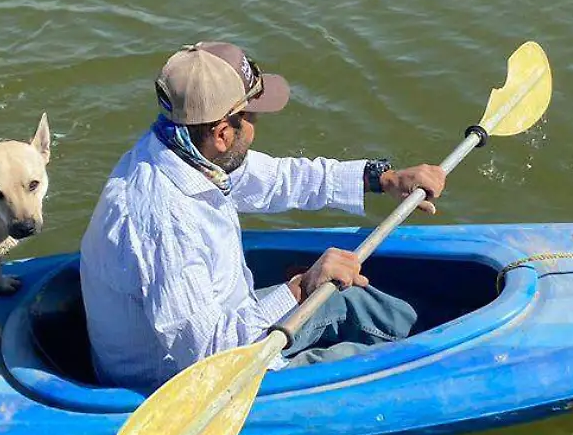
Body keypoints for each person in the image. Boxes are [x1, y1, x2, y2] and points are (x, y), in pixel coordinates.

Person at [79, 41, 447, 391]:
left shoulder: (186, 149)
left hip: (230, 328)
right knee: (366, 362)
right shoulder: (164, 223)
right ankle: (439, 365)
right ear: (222, 132)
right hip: (192, 381)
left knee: (349, 300)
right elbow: (208, 355)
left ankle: (440, 335)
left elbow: (277, 179)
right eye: (252, 116)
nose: (256, 128)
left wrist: (382, 178)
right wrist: (301, 288)